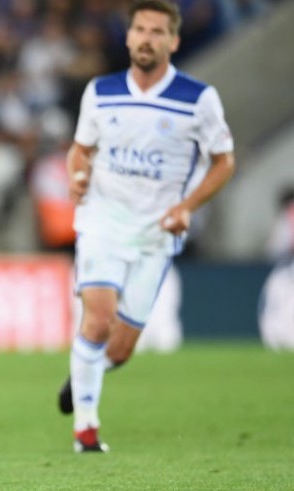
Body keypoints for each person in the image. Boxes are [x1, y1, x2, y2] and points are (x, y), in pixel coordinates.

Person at [56, 0, 235, 452]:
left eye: (157, 31)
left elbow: (224, 161)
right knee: (96, 321)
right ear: (129, 35)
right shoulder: (101, 91)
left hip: (157, 232)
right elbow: (81, 149)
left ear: (173, 41)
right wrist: (77, 174)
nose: (147, 38)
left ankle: (83, 374)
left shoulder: (199, 99)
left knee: (117, 349)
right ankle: (86, 429)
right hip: (102, 219)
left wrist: (188, 206)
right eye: (140, 29)